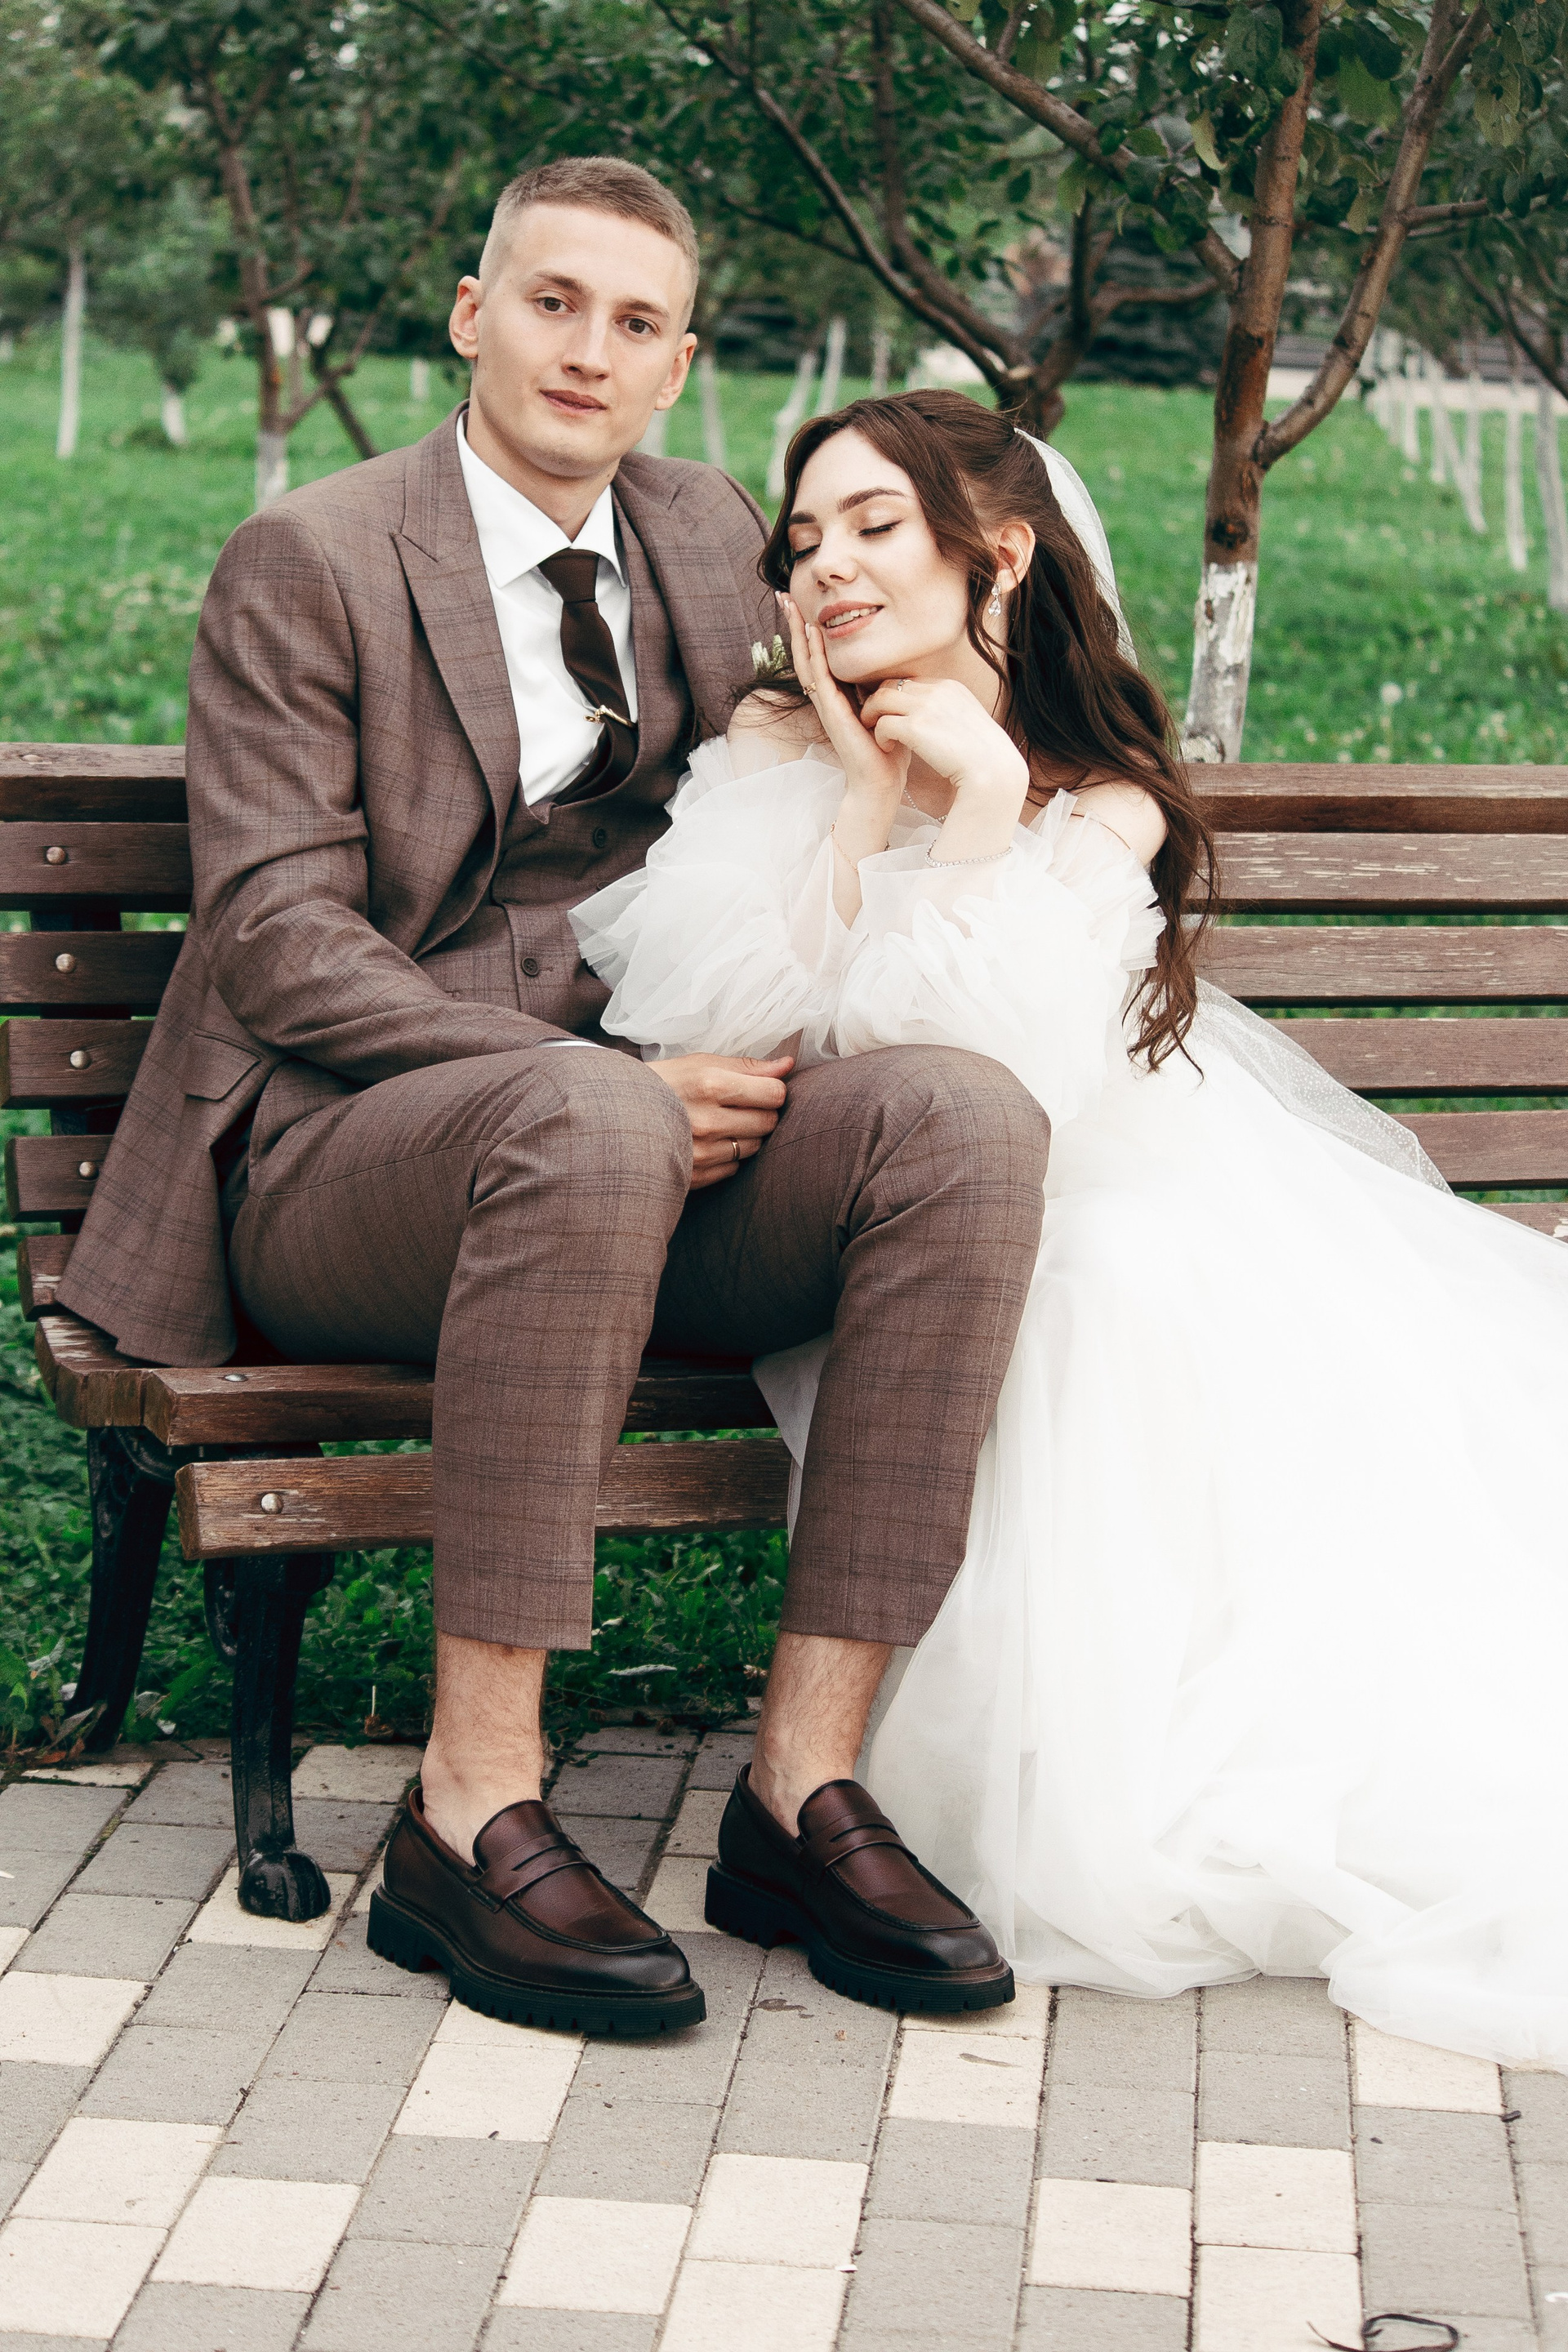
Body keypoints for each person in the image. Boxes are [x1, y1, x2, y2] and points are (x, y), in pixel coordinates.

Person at [58, 165, 1042, 2034]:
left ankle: (800, 1790)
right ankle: (470, 1804)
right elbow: (274, 940)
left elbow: (859, 708)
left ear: (679, 367)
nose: (590, 350)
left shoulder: (709, 532)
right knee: (591, 1121)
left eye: (636, 322)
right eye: (553, 301)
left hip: (646, 1144)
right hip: (348, 1151)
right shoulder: (313, 558)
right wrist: (589, 1080)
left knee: (962, 1120)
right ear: (473, 314)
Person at [572, 387, 1568, 2070]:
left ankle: (1111, 1754)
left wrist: (978, 812)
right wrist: (863, 800)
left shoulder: (1102, 802)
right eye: (804, 539)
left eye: (876, 525)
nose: (827, 568)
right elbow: (715, 1014)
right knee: (1091, 1275)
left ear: (1000, 553)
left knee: (1118, 1277)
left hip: (1089, 1178)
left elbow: (1001, 1070)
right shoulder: (776, 742)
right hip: (845, 1214)